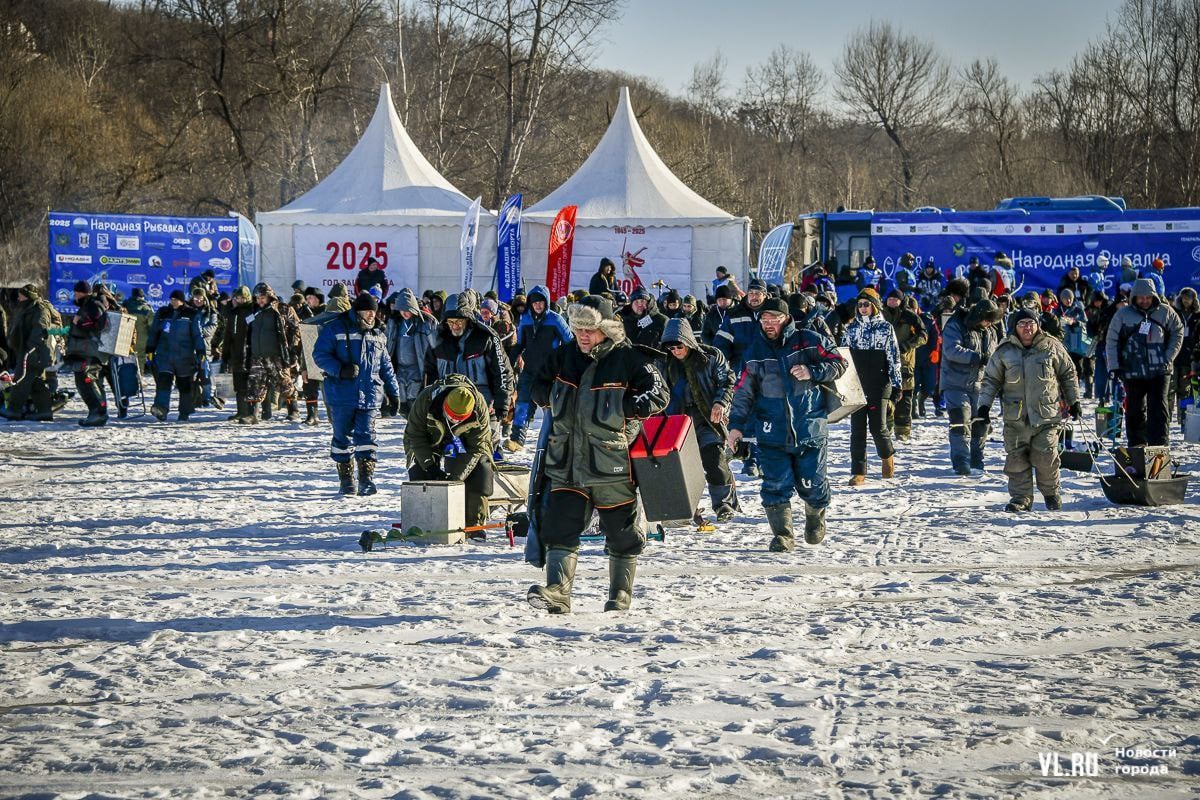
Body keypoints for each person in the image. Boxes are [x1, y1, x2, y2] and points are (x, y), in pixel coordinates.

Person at [527, 295, 669, 615]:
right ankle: (558, 592)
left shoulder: (628, 358)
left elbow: (659, 392)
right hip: (566, 463)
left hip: (611, 464)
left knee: (622, 533)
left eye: (590, 330)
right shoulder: (563, 356)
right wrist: (546, 397)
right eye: (578, 329)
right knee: (560, 526)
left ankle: (619, 595)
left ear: (607, 329)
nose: (583, 336)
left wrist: (626, 409)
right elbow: (537, 381)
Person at [728, 297, 847, 550]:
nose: (768, 323)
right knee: (775, 484)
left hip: (809, 427)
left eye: (774, 318)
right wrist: (735, 425)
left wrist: (812, 372)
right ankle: (783, 535)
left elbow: (839, 363)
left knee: (812, 484)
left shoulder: (809, 340)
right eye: (764, 319)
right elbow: (743, 392)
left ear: (786, 319)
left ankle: (815, 516)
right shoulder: (754, 352)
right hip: (772, 431)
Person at [977, 308, 1080, 512]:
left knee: (1046, 457)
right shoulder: (1004, 351)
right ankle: (1021, 498)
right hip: (1015, 417)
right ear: (1015, 327)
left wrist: (1074, 401)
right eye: (1022, 323)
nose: (1027, 327)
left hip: (1046, 415)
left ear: (1037, 325)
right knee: (1016, 460)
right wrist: (983, 406)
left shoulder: (1051, 346)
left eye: (1030, 323)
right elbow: (990, 380)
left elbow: (1068, 373)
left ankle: (1051, 493)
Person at [312, 293, 400, 495]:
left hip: (370, 395)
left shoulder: (378, 334)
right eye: (368, 311)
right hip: (341, 395)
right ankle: (346, 480)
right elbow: (320, 355)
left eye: (374, 311)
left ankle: (366, 479)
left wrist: (394, 393)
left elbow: (386, 366)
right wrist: (340, 369)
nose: (372, 315)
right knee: (342, 438)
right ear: (357, 311)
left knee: (367, 437)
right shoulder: (335, 328)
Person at [660, 318, 738, 522]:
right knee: (680, 468)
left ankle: (723, 504)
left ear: (688, 341)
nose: (675, 351)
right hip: (677, 422)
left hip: (706, 418)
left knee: (714, 460)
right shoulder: (663, 363)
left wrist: (720, 402)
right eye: (670, 347)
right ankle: (687, 507)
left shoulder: (711, 356)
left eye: (679, 346)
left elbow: (727, 380)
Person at [425, 292, 513, 448]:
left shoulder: (486, 338)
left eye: (459, 321)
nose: (455, 325)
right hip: (449, 406)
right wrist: (427, 403)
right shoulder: (437, 340)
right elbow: (429, 374)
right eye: (451, 321)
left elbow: (502, 371)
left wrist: (502, 403)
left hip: (483, 405)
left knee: (484, 449)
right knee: (455, 452)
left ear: (468, 319)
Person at [404, 376, 495, 525]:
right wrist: (430, 466)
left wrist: (456, 478)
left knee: (481, 470)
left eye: (460, 419)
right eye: (452, 416)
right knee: (420, 473)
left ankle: (474, 522)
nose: (455, 421)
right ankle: (423, 520)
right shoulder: (426, 399)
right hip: (430, 438)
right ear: (445, 404)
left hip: (464, 442)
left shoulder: (480, 408)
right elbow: (415, 435)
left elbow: (477, 447)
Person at [1105, 278, 1184, 447]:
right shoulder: (1123, 314)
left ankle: (1159, 447)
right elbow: (1111, 340)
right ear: (1134, 297)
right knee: (1134, 410)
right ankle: (1137, 447)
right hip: (1132, 370)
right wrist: (1114, 366)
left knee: (1159, 410)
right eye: (1141, 297)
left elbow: (1178, 331)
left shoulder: (1166, 312)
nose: (1145, 301)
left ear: (1154, 296)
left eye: (1148, 297)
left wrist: (1168, 356)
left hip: (1160, 370)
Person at [842, 288, 902, 483]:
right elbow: (844, 358)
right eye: (859, 305)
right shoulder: (851, 329)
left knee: (878, 427)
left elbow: (894, 357)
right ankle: (859, 471)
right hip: (857, 386)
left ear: (875, 306)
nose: (863, 308)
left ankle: (887, 457)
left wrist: (897, 384)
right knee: (857, 430)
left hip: (879, 383)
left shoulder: (885, 328)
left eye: (866, 304)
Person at [505, 285, 572, 451]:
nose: (538, 305)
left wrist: (565, 363)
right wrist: (509, 361)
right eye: (535, 303)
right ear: (530, 303)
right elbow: (520, 343)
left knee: (552, 407)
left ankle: (556, 440)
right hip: (530, 370)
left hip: (551, 372)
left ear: (547, 302)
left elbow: (570, 343)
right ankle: (517, 440)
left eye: (541, 302)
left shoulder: (556, 320)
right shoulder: (525, 320)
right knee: (523, 403)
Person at [940, 298, 1001, 475]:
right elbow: (951, 350)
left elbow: (995, 353)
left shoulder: (990, 331)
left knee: (980, 423)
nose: (990, 323)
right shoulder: (956, 325)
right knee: (960, 420)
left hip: (980, 384)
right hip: (955, 383)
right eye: (988, 319)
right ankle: (961, 461)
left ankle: (977, 459)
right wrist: (977, 357)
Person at [245, 283, 302, 423]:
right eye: (257, 298)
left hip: (277, 355)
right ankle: (253, 415)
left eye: (262, 297)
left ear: (270, 296)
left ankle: (293, 410)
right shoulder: (254, 311)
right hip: (257, 356)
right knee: (255, 384)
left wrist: (293, 350)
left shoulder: (282, 309)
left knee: (284, 383)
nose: (260, 301)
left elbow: (297, 329)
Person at [146, 289, 205, 422]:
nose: (173, 301)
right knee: (164, 382)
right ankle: (161, 408)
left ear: (182, 300)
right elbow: (154, 331)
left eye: (176, 299)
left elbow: (197, 335)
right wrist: (150, 348)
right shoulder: (163, 313)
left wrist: (201, 351)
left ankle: (184, 412)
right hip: (165, 355)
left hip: (184, 356)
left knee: (184, 385)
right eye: (171, 299)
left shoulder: (191, 314)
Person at [0, 284, 54, 421]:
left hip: (33, 352)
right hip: (28, 351)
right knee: (36, 382)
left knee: (20, 381)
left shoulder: (39, 309)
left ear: (28, 295)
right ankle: (44, 411)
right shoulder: (26, 308)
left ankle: (13, 410)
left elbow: (40, 331)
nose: (18, 297)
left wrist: (29, 349)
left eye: (21, 295)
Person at [882, 291, 927, 441]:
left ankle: (903, 433)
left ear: (901, 301)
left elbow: (923, 335)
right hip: (883, 362)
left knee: (904, 401)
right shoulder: (880, 314)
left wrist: (907, 345)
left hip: (905, 363)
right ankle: (885, 429)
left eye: (895, 299)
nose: (892, 301)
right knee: (885, 397)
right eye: (890, 298)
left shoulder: (910, 316)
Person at [384, 288, 437, 418]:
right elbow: (388, 342)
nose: (405, 313)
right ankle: (411, 423)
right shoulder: (395, 323)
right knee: (401, 402)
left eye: (408, 310)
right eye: (402, 310)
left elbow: (436, 345)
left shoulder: (423, 323)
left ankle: (415, 425)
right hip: (400, 368)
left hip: (417, 368)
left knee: (414, 399)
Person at [64, 280, 111, 427]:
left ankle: (99, 413)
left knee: (88, 381)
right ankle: (95, 412)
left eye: (78, 292)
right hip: (83, 350)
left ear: (85, 293)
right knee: (85, 382)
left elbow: (101, 325)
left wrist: (79, 322)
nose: (76, 295)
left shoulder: (93, 305)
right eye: (76, 292)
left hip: (90, 351)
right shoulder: (86, 305)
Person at [621, 286, 668, 351]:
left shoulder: (662, 320)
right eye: (636, 302)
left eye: (643, 301)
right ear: (631, 305)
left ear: (648, 303)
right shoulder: (623, 321)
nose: (640, 304)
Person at [122, 288, 154, 375]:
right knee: (140, 359)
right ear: (142, 296)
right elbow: (152, 326)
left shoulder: (124, 305)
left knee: (125, 360)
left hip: (124, 338)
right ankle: (139, 379)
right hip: (141, 340)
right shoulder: (146, 308)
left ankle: (126, 380)